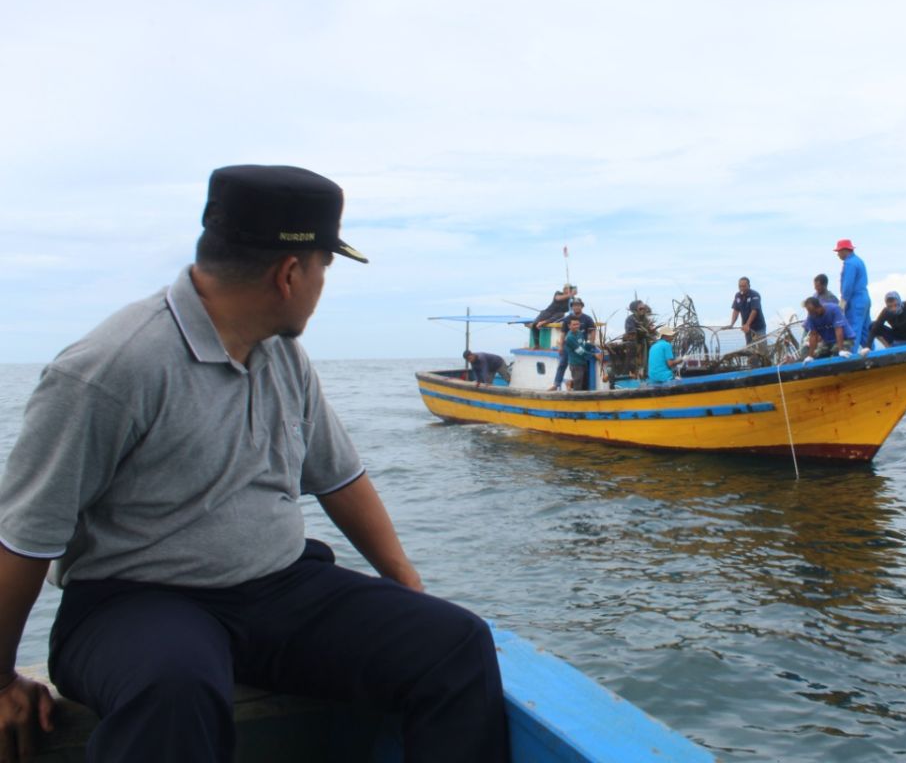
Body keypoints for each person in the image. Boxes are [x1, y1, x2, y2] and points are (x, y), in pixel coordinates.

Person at [0, 165, 509, 762]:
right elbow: (25, 536)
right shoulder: (111, 368)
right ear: (291, 273)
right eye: (326, 266)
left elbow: (340, 478)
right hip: (133, 600)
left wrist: (408, 589)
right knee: (175, 687)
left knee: (453, 643)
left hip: (276, 588)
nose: (323, 283)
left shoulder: (283, 355)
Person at [860, 291, 906, 355]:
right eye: (890, 306)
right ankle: (889, 348)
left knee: (874, 326)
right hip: (897, 339)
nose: (893, 308)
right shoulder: (886, 312)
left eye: (896, 305)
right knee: (872, 325)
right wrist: (867, 347)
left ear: (899, 302)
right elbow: (874, 329)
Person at [551, 297, 596, 391]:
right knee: (563, 363)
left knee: (583, 368)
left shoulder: (587, 318)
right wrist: (560, 347)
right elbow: (563, 333)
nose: (576, 307)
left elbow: (592, 331)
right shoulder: (567, 319)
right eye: (574, 305)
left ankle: (584, 388)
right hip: (570, 346)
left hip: (581, 344)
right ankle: (556, 384)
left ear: (582, 306)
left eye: (578, 305)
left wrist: (591, 344)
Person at [835, 239, 871, 350]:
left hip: (855, 301)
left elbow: (848, 285)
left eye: (839, 251)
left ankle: (852, 356)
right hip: (865, 298)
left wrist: (843, 302)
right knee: (866, 330)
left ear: (845, 250)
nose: (838, 254)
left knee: (853, 330)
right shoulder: (859, 261)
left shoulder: (849, 263)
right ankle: (870, 352)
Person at [801, 295, 856, 361]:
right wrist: (810, 356)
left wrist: (841, 350)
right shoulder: (811, 317)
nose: (813, 315)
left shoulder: (834, 309)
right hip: (828, 342)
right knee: (816, 356)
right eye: (810, 313)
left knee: (836, 352)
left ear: (819, 307)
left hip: (845, 339)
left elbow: (838, 329)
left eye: (814, 312)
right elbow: (813, 335)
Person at [563, 317, 603, 391]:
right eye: (574, 325)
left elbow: (584, 344)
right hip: (576, 364)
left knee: (583, 382)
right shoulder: (569, 338)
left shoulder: (579, 333)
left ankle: (570, 383)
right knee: (578, 386)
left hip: (583, 362)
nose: (576, 326)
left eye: (578, 324)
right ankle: (575, 398)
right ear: (569, 326)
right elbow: (580, 351)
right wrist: (594, 355)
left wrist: (593, 345)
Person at [726, 277, 767, 346]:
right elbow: (736, 310)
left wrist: (747, 324)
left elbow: (754, 311)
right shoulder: (738, 296)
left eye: (744, 286)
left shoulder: (754, 295)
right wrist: (732, 324)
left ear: (749, 286)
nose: (742, 288)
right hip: (747, 329)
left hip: (758, 327)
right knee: (750, 348)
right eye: (740, 286)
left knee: (762, 348)